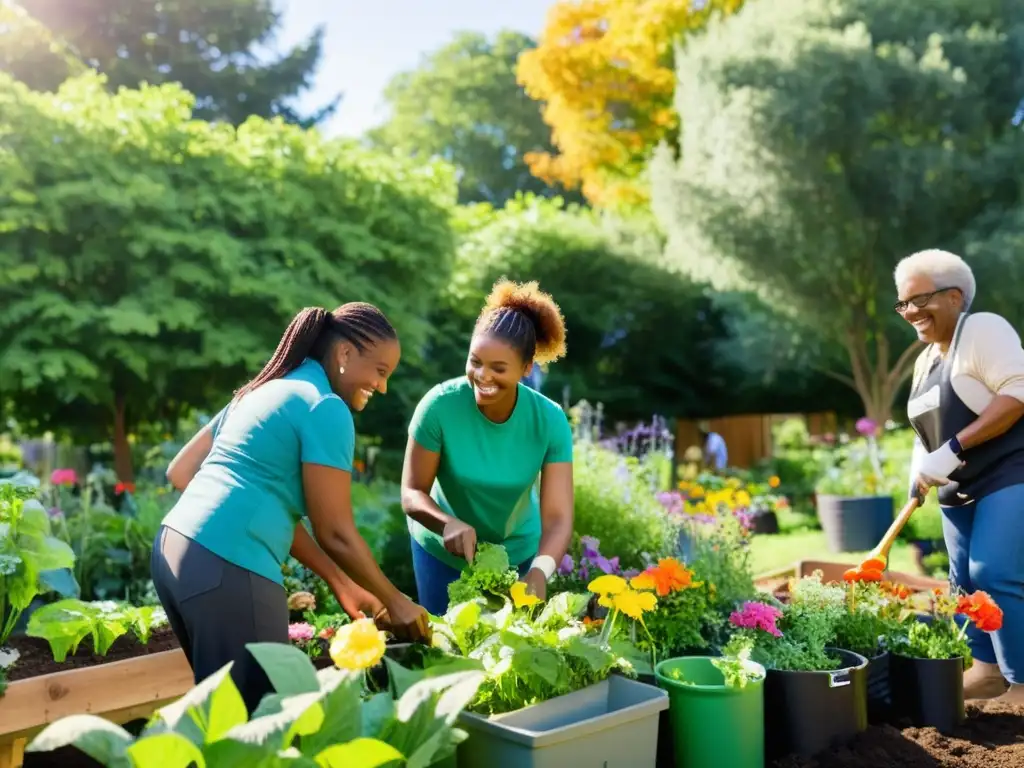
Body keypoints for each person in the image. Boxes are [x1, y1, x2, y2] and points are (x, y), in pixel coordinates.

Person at [153, 303, 430, 711]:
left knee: (226, 722)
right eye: (380, 371)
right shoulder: (325, 407)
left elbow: (181, 473)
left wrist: (343, 584)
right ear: (345, 354)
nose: (382, 386)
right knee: (260, 728)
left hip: (175, 554)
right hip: (230, 569)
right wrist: (396, 601)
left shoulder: (265, 389)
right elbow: (335, 532)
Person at [895, 248, 1024, 704]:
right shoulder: (924, 360)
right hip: (957, 491)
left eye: (919, 300)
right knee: (964, 586)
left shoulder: (983, 330)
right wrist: (920, 465)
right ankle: (988, 672)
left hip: (1009, 472)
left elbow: (1017, 393)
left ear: (954, 296)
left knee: (996, 572)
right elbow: (925, 428)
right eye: (903, 304)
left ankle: (1022, 685)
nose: (910, 312)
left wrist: (952, 448)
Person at [400, 279, 575, 616]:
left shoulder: (549, 421)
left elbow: (558, 518)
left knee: (504, 659)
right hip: (441, 552)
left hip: (517, 554)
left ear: (526, 369)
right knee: (445, 656)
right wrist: (446, 523)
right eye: (475, 361)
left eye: (499, 368)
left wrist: (539, 571)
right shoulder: (439, 407)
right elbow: (412, 492)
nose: (483, 376)